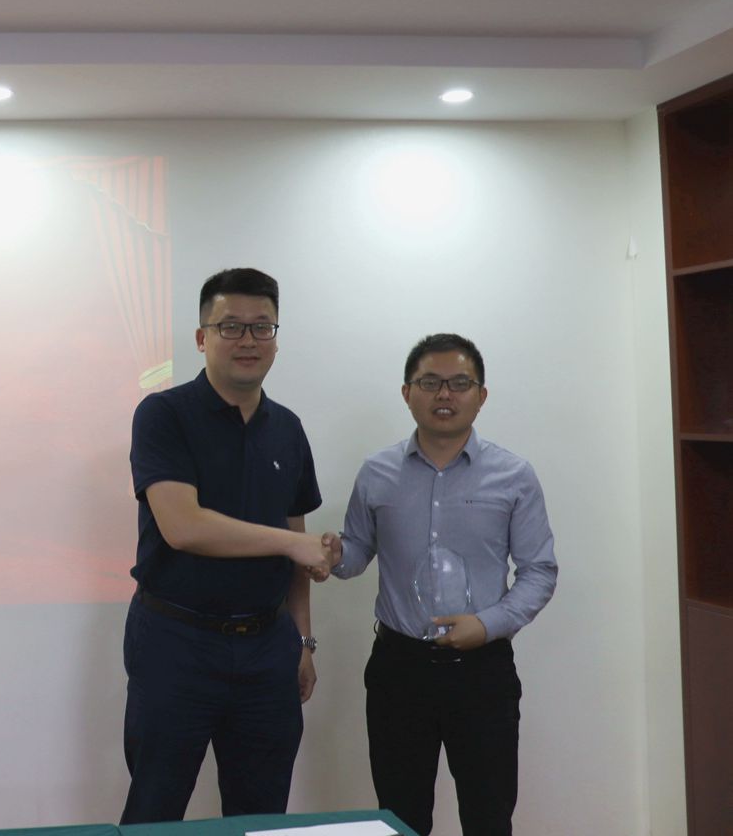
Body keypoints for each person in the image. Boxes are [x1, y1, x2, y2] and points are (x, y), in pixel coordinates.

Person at [322, 333, 558, 836]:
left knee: (488, 816)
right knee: (400, 819)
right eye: (430, 382)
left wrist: (487, 625)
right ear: (407, 393)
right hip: (399, 670)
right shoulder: (377, 472)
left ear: (482, 395)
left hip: (483, 673)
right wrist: (335, 556)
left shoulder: (514, 475)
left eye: (459, 383)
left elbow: (539, 570)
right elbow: (357, 550)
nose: (444, 394)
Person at [120, 267, 331, 824]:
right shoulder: (164, 415)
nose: (248, 340)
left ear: (276, 339)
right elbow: (183, 526)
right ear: (201, 337)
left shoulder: (288, 428)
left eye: (262, 327)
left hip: (267, 647)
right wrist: (294, 545)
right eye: (230, 326)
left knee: (260, 816)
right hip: (176, 642)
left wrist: (303, 641)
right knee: (155, 810)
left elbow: (296, 544)